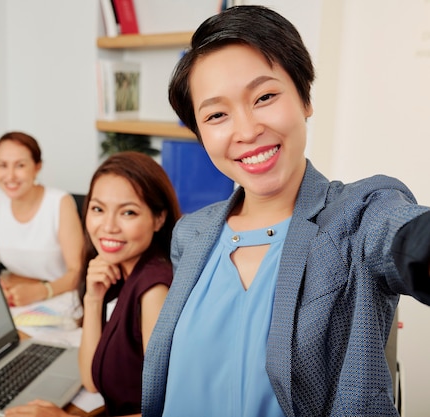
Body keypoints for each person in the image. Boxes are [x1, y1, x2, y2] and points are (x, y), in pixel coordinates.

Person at [142, 6, 430, 417]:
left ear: (305, 98)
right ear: (200, 132)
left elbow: (406, 237)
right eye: (217, 114)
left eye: (264, 97)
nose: (246, 131)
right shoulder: (191, 234)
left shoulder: (358, 216)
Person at [5, 151, 181, 417]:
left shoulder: (154, 290)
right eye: (98, 209)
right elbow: (91, 379)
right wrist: (93, 298)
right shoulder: (118, 272)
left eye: (128, 212)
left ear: (158, 218)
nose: (108, 226)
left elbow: (169, 411)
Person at [0, 131, 84, 307]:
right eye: (2, 165)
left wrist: (41, 291)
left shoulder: (59, 202)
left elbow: (77, 272)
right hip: (13, 297)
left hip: (56, 298)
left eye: (20, 166)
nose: (10, 176)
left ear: (37, 167)